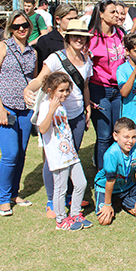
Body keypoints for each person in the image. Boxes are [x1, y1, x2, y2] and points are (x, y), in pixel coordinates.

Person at [24, 19, 93, 218]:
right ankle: (51, 200)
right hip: (57, 117)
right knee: (53, 160)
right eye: (75, 36)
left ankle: (69, 196)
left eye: (83, 36)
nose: (79, 40)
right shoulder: (55, 58)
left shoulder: (86, 59)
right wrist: (28, 89)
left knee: (71, 156)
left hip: (77, 116)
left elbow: (85, 85)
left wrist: (87, 107)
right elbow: (41, 79)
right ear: (68, 38)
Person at [0, 10, 36, 216]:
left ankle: (15, 193)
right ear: (10, 28)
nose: (21, 29)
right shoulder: (1, 47)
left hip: (25, 109)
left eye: (24, 25)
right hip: (4, 106)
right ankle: (4, 199)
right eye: (16, 26)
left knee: (21, 153)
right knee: (10, 154)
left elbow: (33, 80)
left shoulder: (33, 52)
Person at [37, 72, 92, 231]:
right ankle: (61, 220)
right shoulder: (46, 106)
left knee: (81, 182)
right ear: (50, 90)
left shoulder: (61, 106)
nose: (65, 93)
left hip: (70, 154)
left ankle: (75, 213)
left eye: (67, 90)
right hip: (58, 156)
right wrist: (51, 110)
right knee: (61, 189)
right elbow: (42, 128)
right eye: (61, 90)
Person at [88, 0, 125, 170]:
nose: (117, 15)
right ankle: (102, 176)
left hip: (118, 90)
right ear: (101, 14)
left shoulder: (120, 34)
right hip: (99, 89)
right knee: (103, 135)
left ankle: (115, 172)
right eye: (112, 12)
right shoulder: (91, 38)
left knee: (116, 133)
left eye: (118, 12)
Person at [94, 117, 136, 225]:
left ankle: (123, 202)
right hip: (105, 187)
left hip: (126, 186)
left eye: (133, 137)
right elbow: (110, 181)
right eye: (126, 137)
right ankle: (113, 201)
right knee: (105, 220)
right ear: (115, 136)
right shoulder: (111, 154)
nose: (130, 141)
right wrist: (107, 204)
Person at [35, 3, 79, 74]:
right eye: (70, 19)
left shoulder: (80, 40)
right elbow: (40, 69)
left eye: (76, 18)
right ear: (58, 19)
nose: (74, 22)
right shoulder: (46, 41)